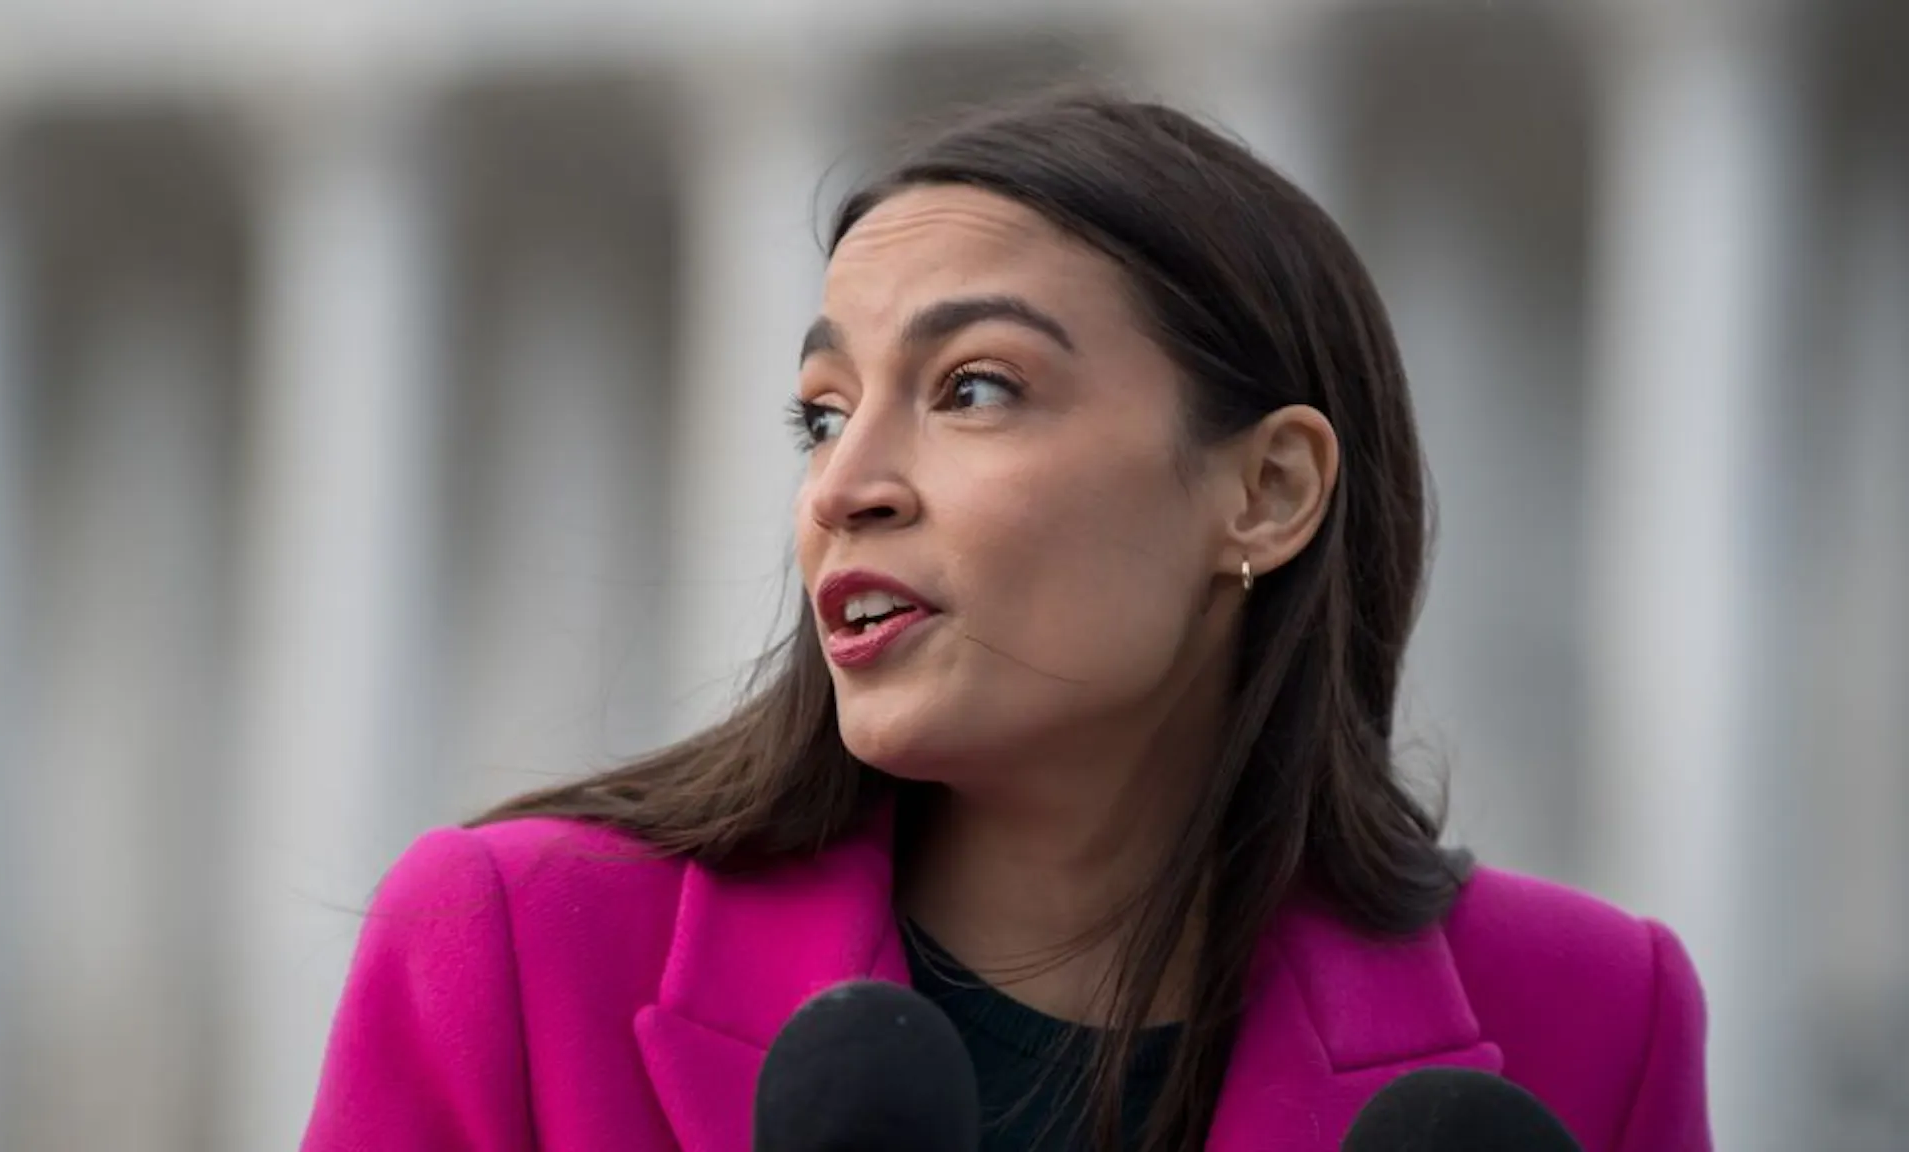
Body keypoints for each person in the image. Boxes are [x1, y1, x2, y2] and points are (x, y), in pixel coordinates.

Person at [299, 91, 1711, 1152]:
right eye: (822, 414)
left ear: (1269, 492)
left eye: (974, 388)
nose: (843, 487)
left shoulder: (1591, 1021)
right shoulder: (521, 954)